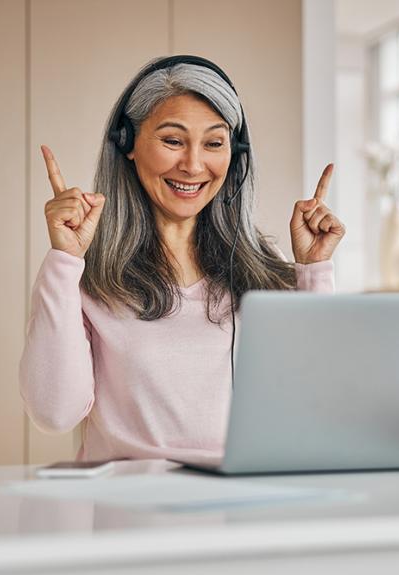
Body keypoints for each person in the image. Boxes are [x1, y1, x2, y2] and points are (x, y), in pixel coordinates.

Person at [19, 55, 346, 462]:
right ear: (128, 144)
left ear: (236, 154)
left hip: (239, 508)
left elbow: (316, 404)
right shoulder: (90, 275)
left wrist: (313, 273)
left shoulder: (263, 266)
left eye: (213, 143)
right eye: (172, 141)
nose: (193, 166)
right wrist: (65, 261)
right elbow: (54, 412)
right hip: (130, 511)